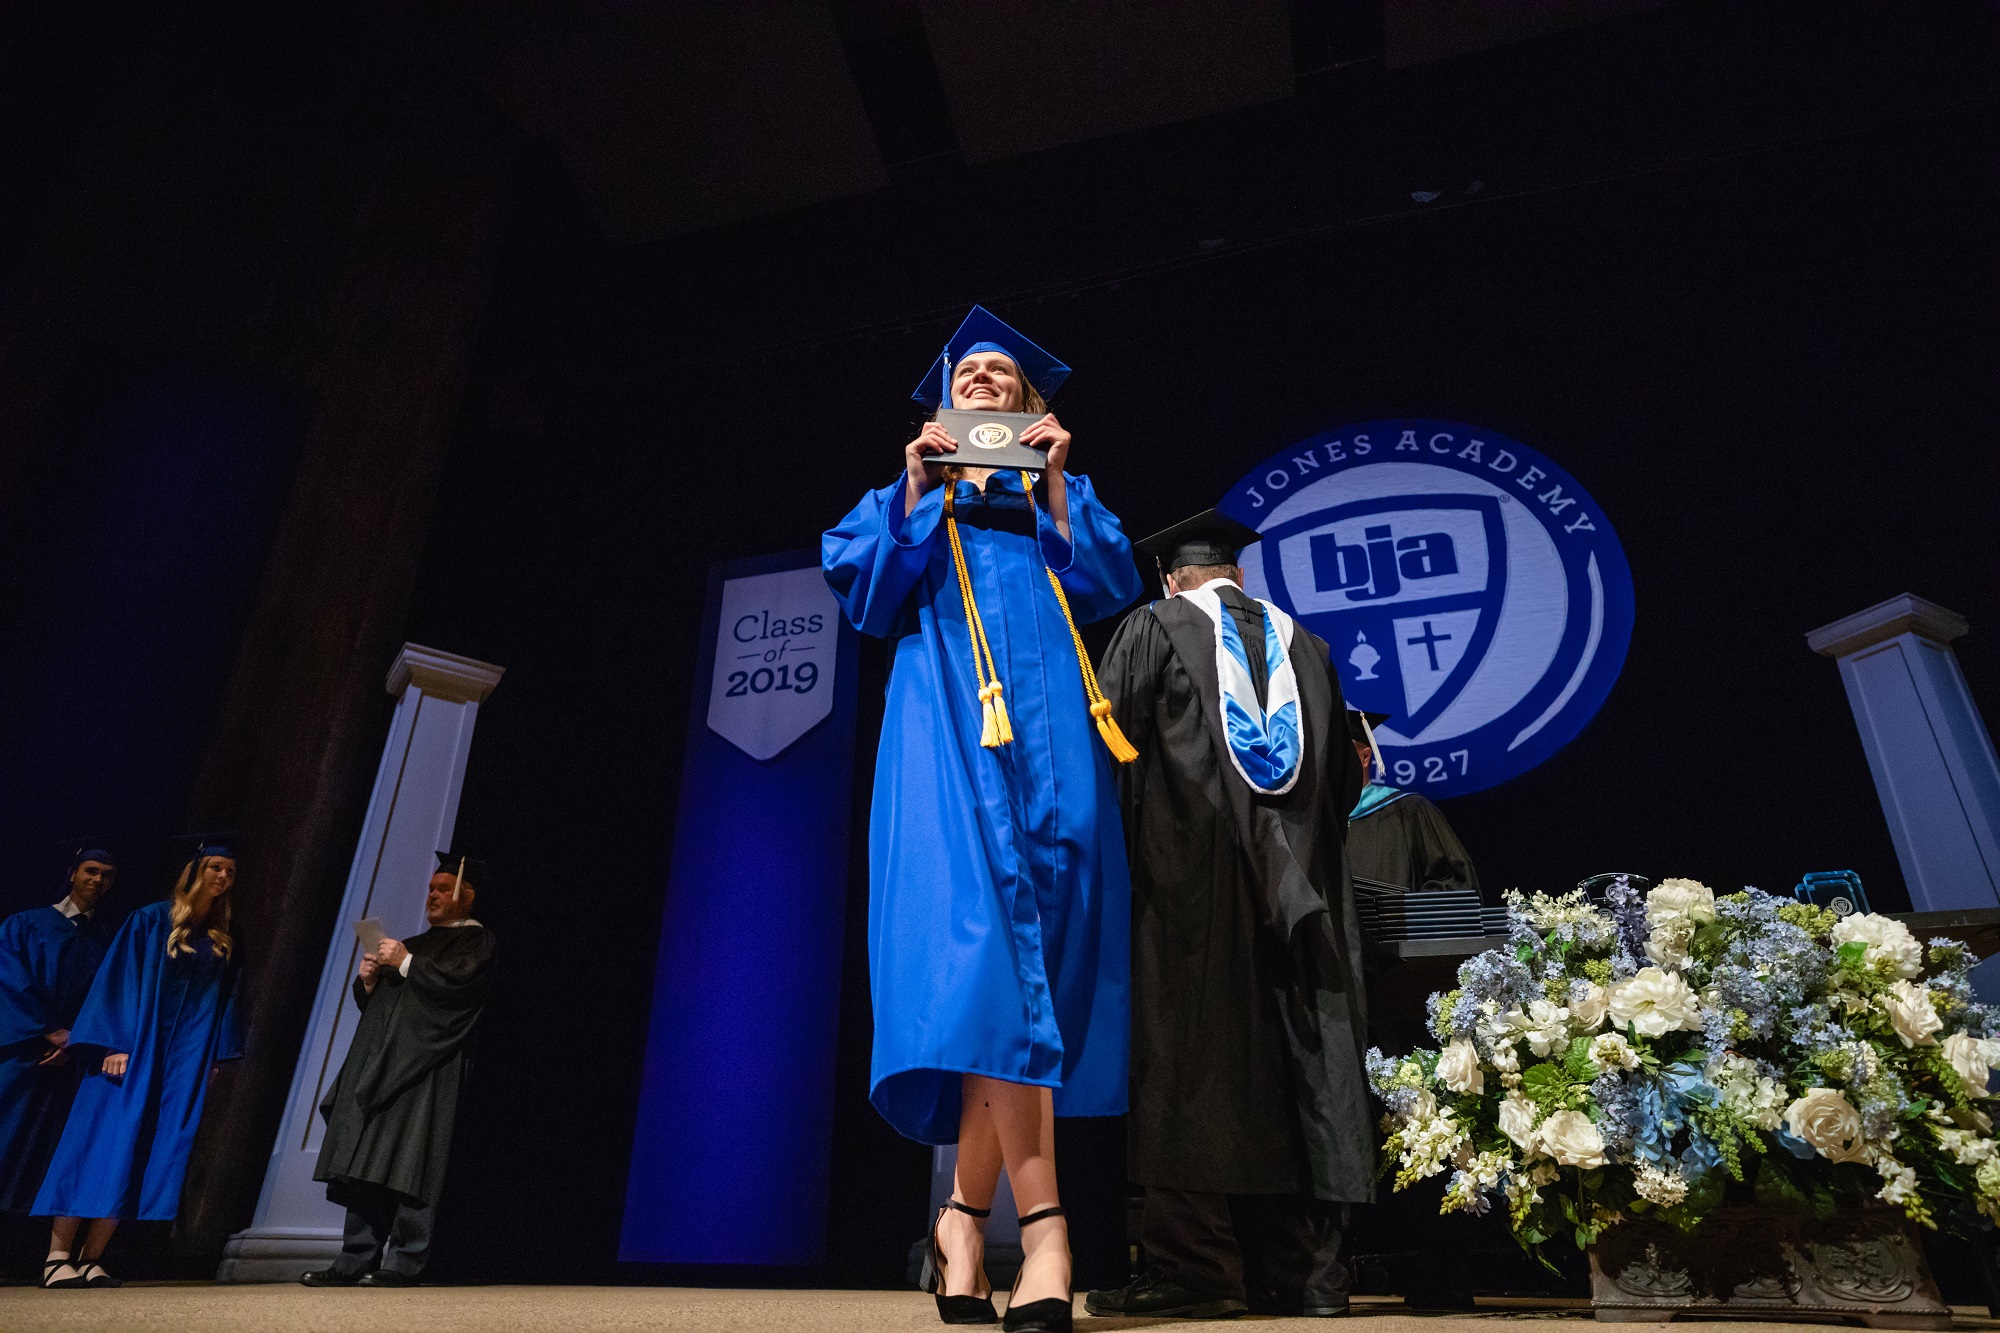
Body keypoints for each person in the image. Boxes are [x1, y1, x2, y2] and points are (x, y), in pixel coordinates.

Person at [822, 306, 1142, 1332]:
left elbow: (1110, 583)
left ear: (1027, 398)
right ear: (945, 397)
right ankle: (1046, 1234)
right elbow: (867, 598)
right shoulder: (911, 488)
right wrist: (918, 485)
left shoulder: (1057, 489)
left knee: (1036, 964)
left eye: (1003, 372)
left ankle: (959, 1223)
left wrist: (1054, 482)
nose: (986, 379)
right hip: (946, 727)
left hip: (1054, 729)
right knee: (984, 957)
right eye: (971, 371)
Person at [1090, 509, 1376, 1320]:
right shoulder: (1309, 648)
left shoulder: (1153, 628)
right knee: (1301, 1070)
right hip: (1305, 897)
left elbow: (1111, 751)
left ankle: (1197, 1269)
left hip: (1187, 893)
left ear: (1170, 577)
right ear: (1238, 576)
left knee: (1190, 1064)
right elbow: (1345, 787)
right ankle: (1308, 1274)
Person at [32, 837, 243, 1288]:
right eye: (215, 867)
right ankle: (56, 1257)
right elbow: (118, 979)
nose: (223, 876)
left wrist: (214, 1056)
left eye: (230, 870)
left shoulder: (220, 937)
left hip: (180, 1064)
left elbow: (224, 1001)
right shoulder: (151, 920)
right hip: (129, 1053)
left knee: (142, 1151)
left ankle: (93, 1257)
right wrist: (111, 1044)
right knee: (98, 1146)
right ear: (196, 869)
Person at [304, 852, 497, 1288]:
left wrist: (407, 963)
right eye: (431, 888)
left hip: (429, 1069)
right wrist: (371, 980)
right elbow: (386, 1011)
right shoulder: (414, 943)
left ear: (468, 896)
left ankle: (404, 1263)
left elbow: (456, 991)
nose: (433, 895)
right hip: (382, 1067)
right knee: (366, 1160)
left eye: (443, 888)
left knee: (414, 1161)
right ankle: (355, 1259)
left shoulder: (477, 943)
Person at [0, 845, 118, 1239]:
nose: (97, 880)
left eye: (106, 875)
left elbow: (105, 999)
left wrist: (76, 1043)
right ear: (72, 873)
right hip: (19, 1053)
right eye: (91, 871)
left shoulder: (107, 941)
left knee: (39, 1154)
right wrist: (49, 1029)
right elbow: (8, 980)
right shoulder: (25, 924)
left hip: (68, 1062)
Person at [1345, 711, 1480, 898]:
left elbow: (1457, 883)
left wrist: (1404, 910)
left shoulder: (1409, 811)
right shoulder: (1314, 823)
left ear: (1365, 757)